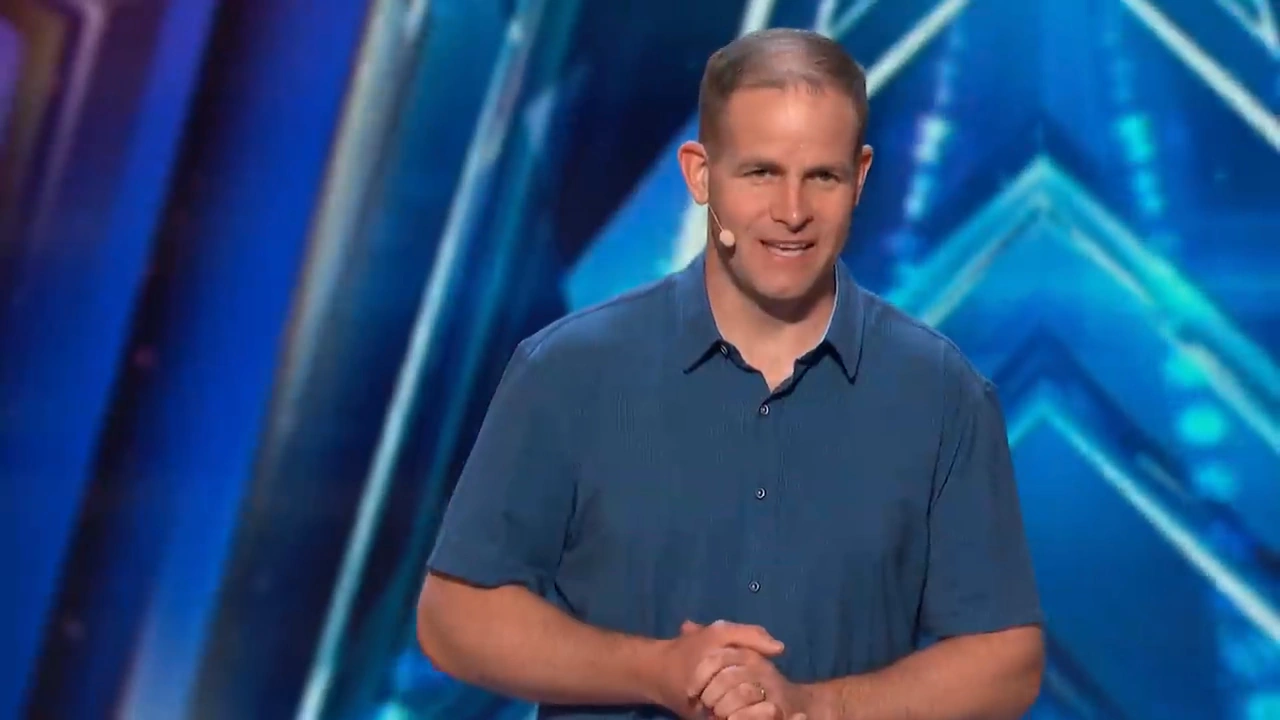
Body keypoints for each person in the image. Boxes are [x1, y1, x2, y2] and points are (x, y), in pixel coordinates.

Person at [416, 27, 1044, 720]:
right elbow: (455, 616)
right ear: (700, 173)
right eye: (761, 173)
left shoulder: (942, 393)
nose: (792, 212)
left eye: (822, 176)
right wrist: (656, 671)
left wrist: (815, 707)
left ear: (860, 177)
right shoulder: (568, 370)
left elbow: (1004, 659)